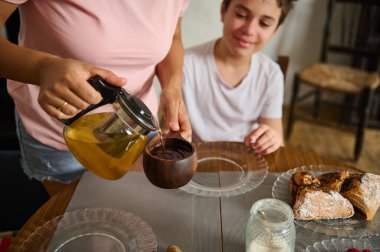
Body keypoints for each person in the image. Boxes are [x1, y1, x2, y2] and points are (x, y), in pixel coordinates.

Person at [0, 1, 192, 196]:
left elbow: (173, 36)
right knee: (74, 215)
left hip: (137, 127)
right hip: (60, 132)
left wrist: (172, 86)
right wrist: (43, 68)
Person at [182, 0, 295, 155]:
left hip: (247, 160)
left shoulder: (271, 74)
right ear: (223, 11)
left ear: (275, 31)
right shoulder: (185, 64)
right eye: (241, 15)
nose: (249, 30)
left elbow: (277, 139)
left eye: (264, 23)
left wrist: (271, 139)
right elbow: (169, 129)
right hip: (195, 159)